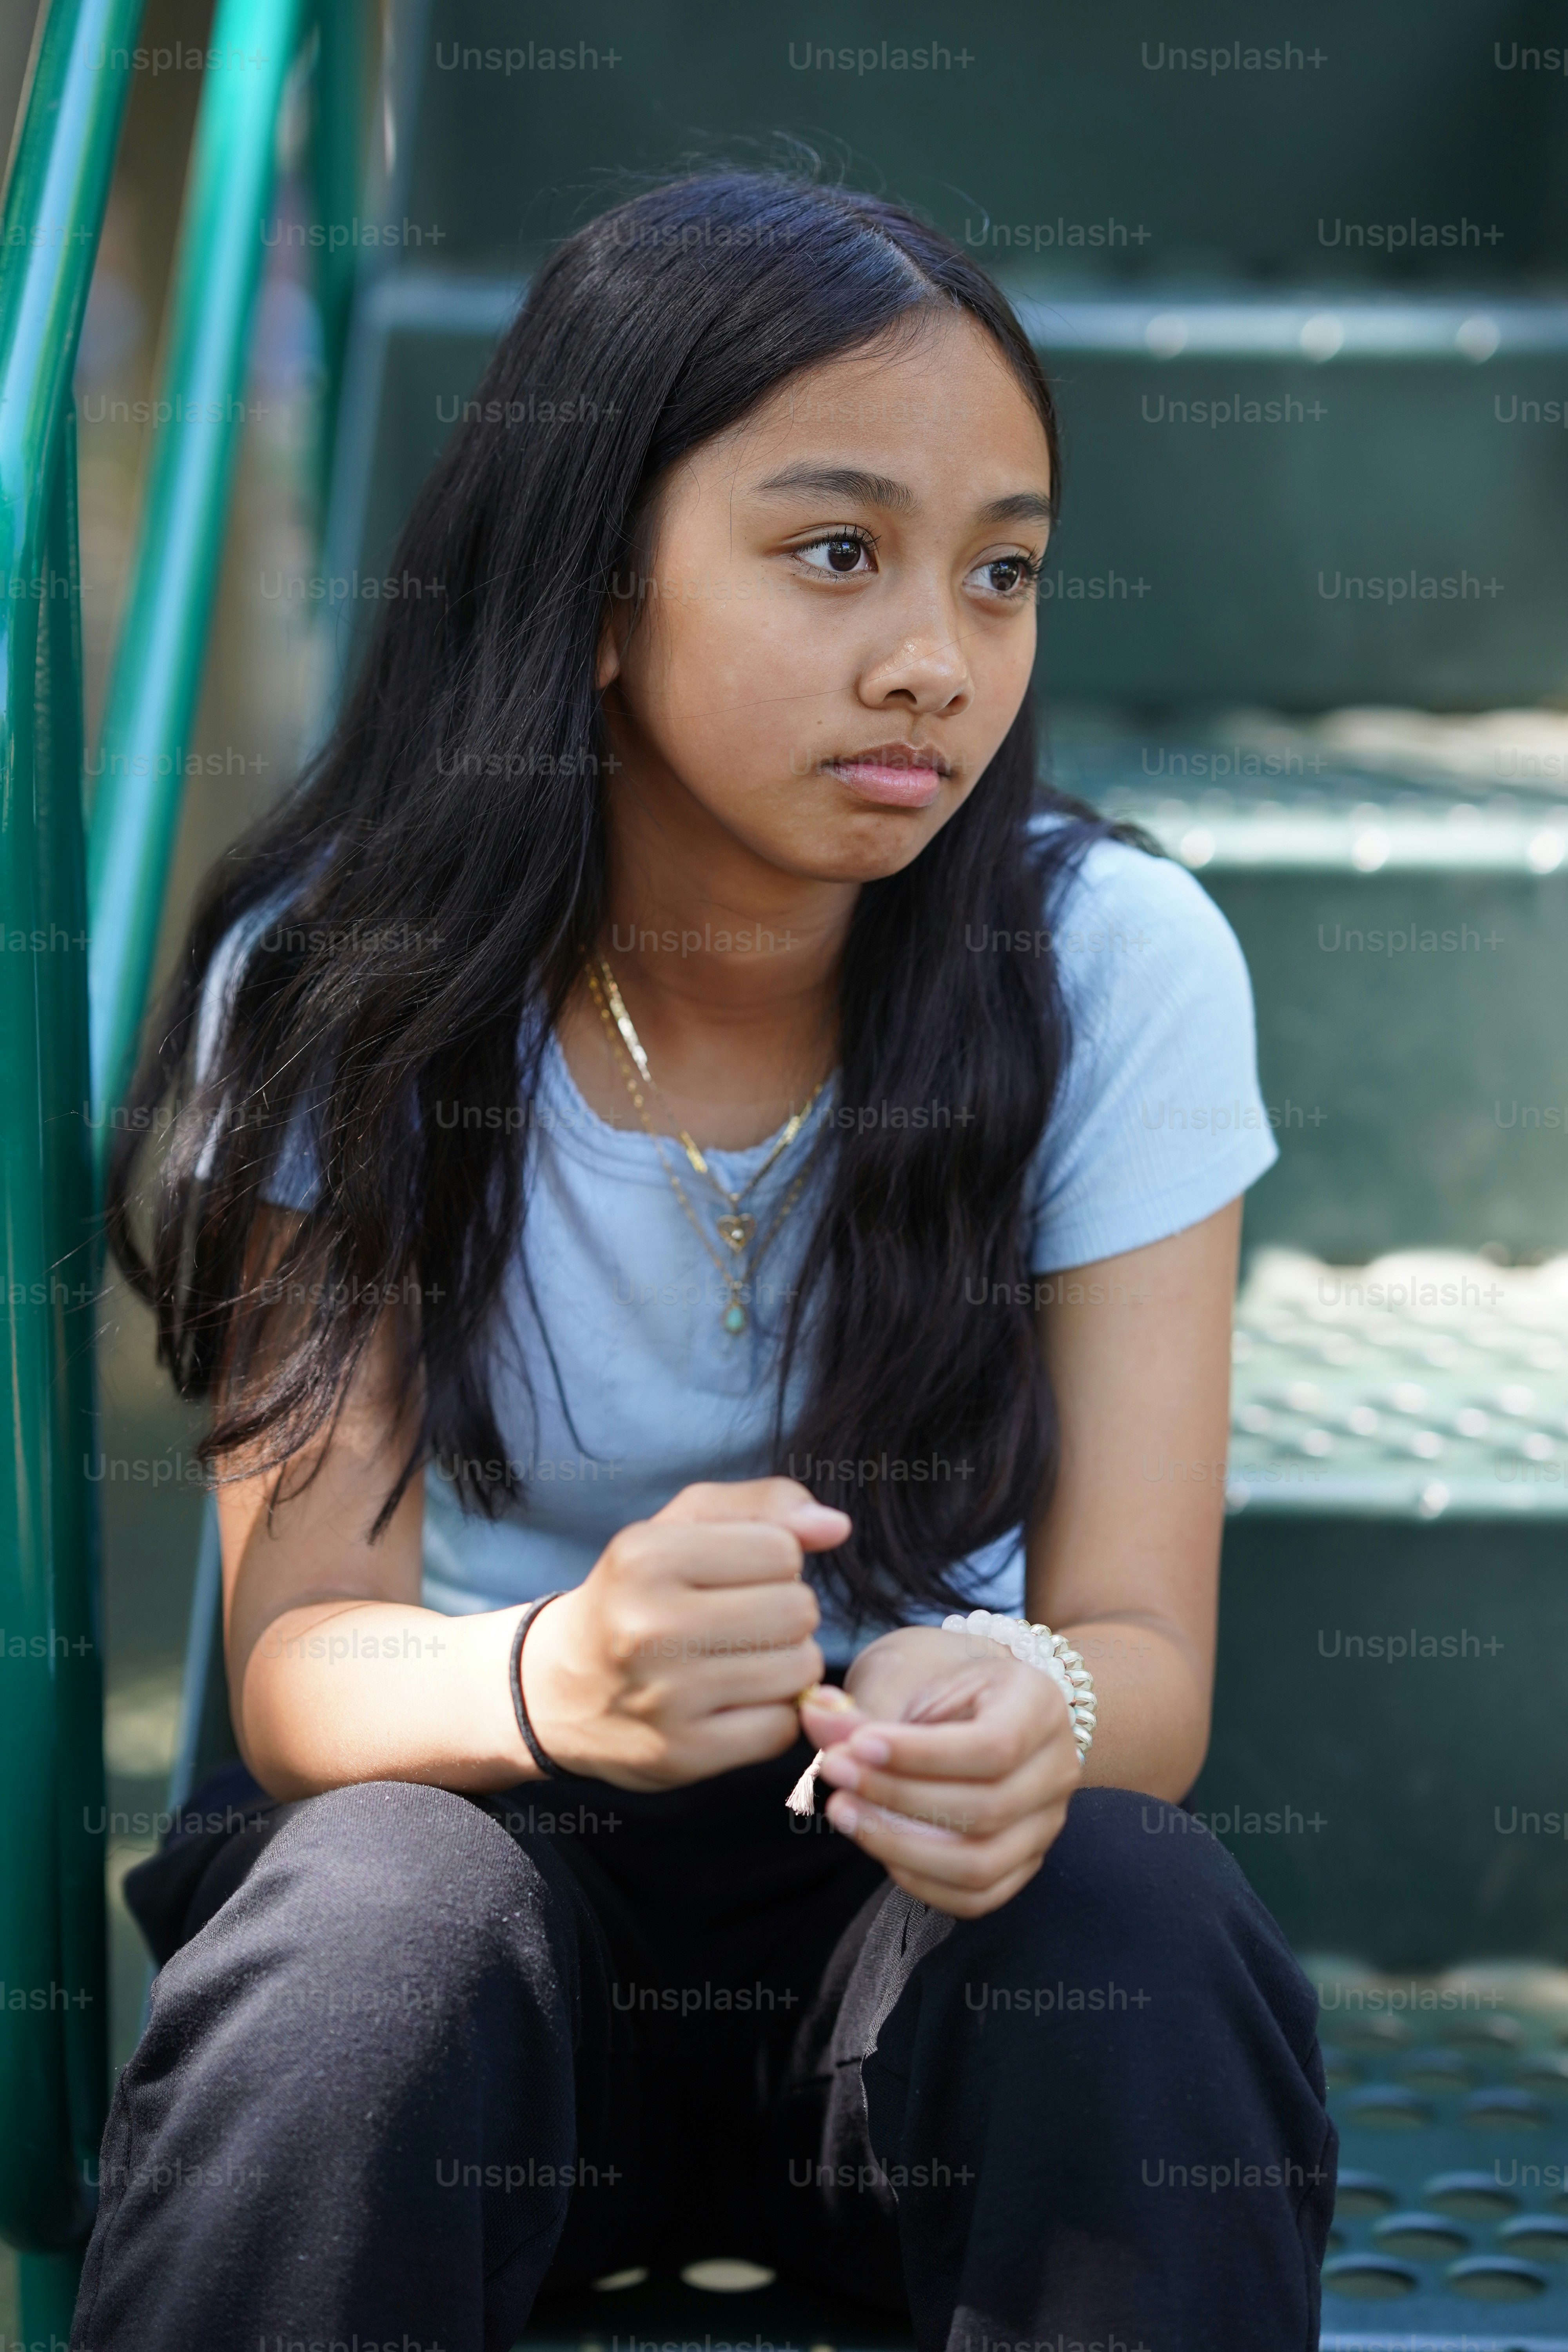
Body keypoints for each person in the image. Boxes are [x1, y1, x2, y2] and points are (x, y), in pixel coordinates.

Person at [80, 172, 1335, 2352]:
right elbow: (302, 1669)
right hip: (479, 1897)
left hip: (901, 1916)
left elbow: (1148, 1658)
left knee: (1134, 1913)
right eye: (834, 553)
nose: (938, 656)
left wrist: (1029, 1699)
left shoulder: (1113, 966)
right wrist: (558, 1675)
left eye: (1004, 571)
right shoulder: (350, 986)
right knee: (367, 1923)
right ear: (591, 587)